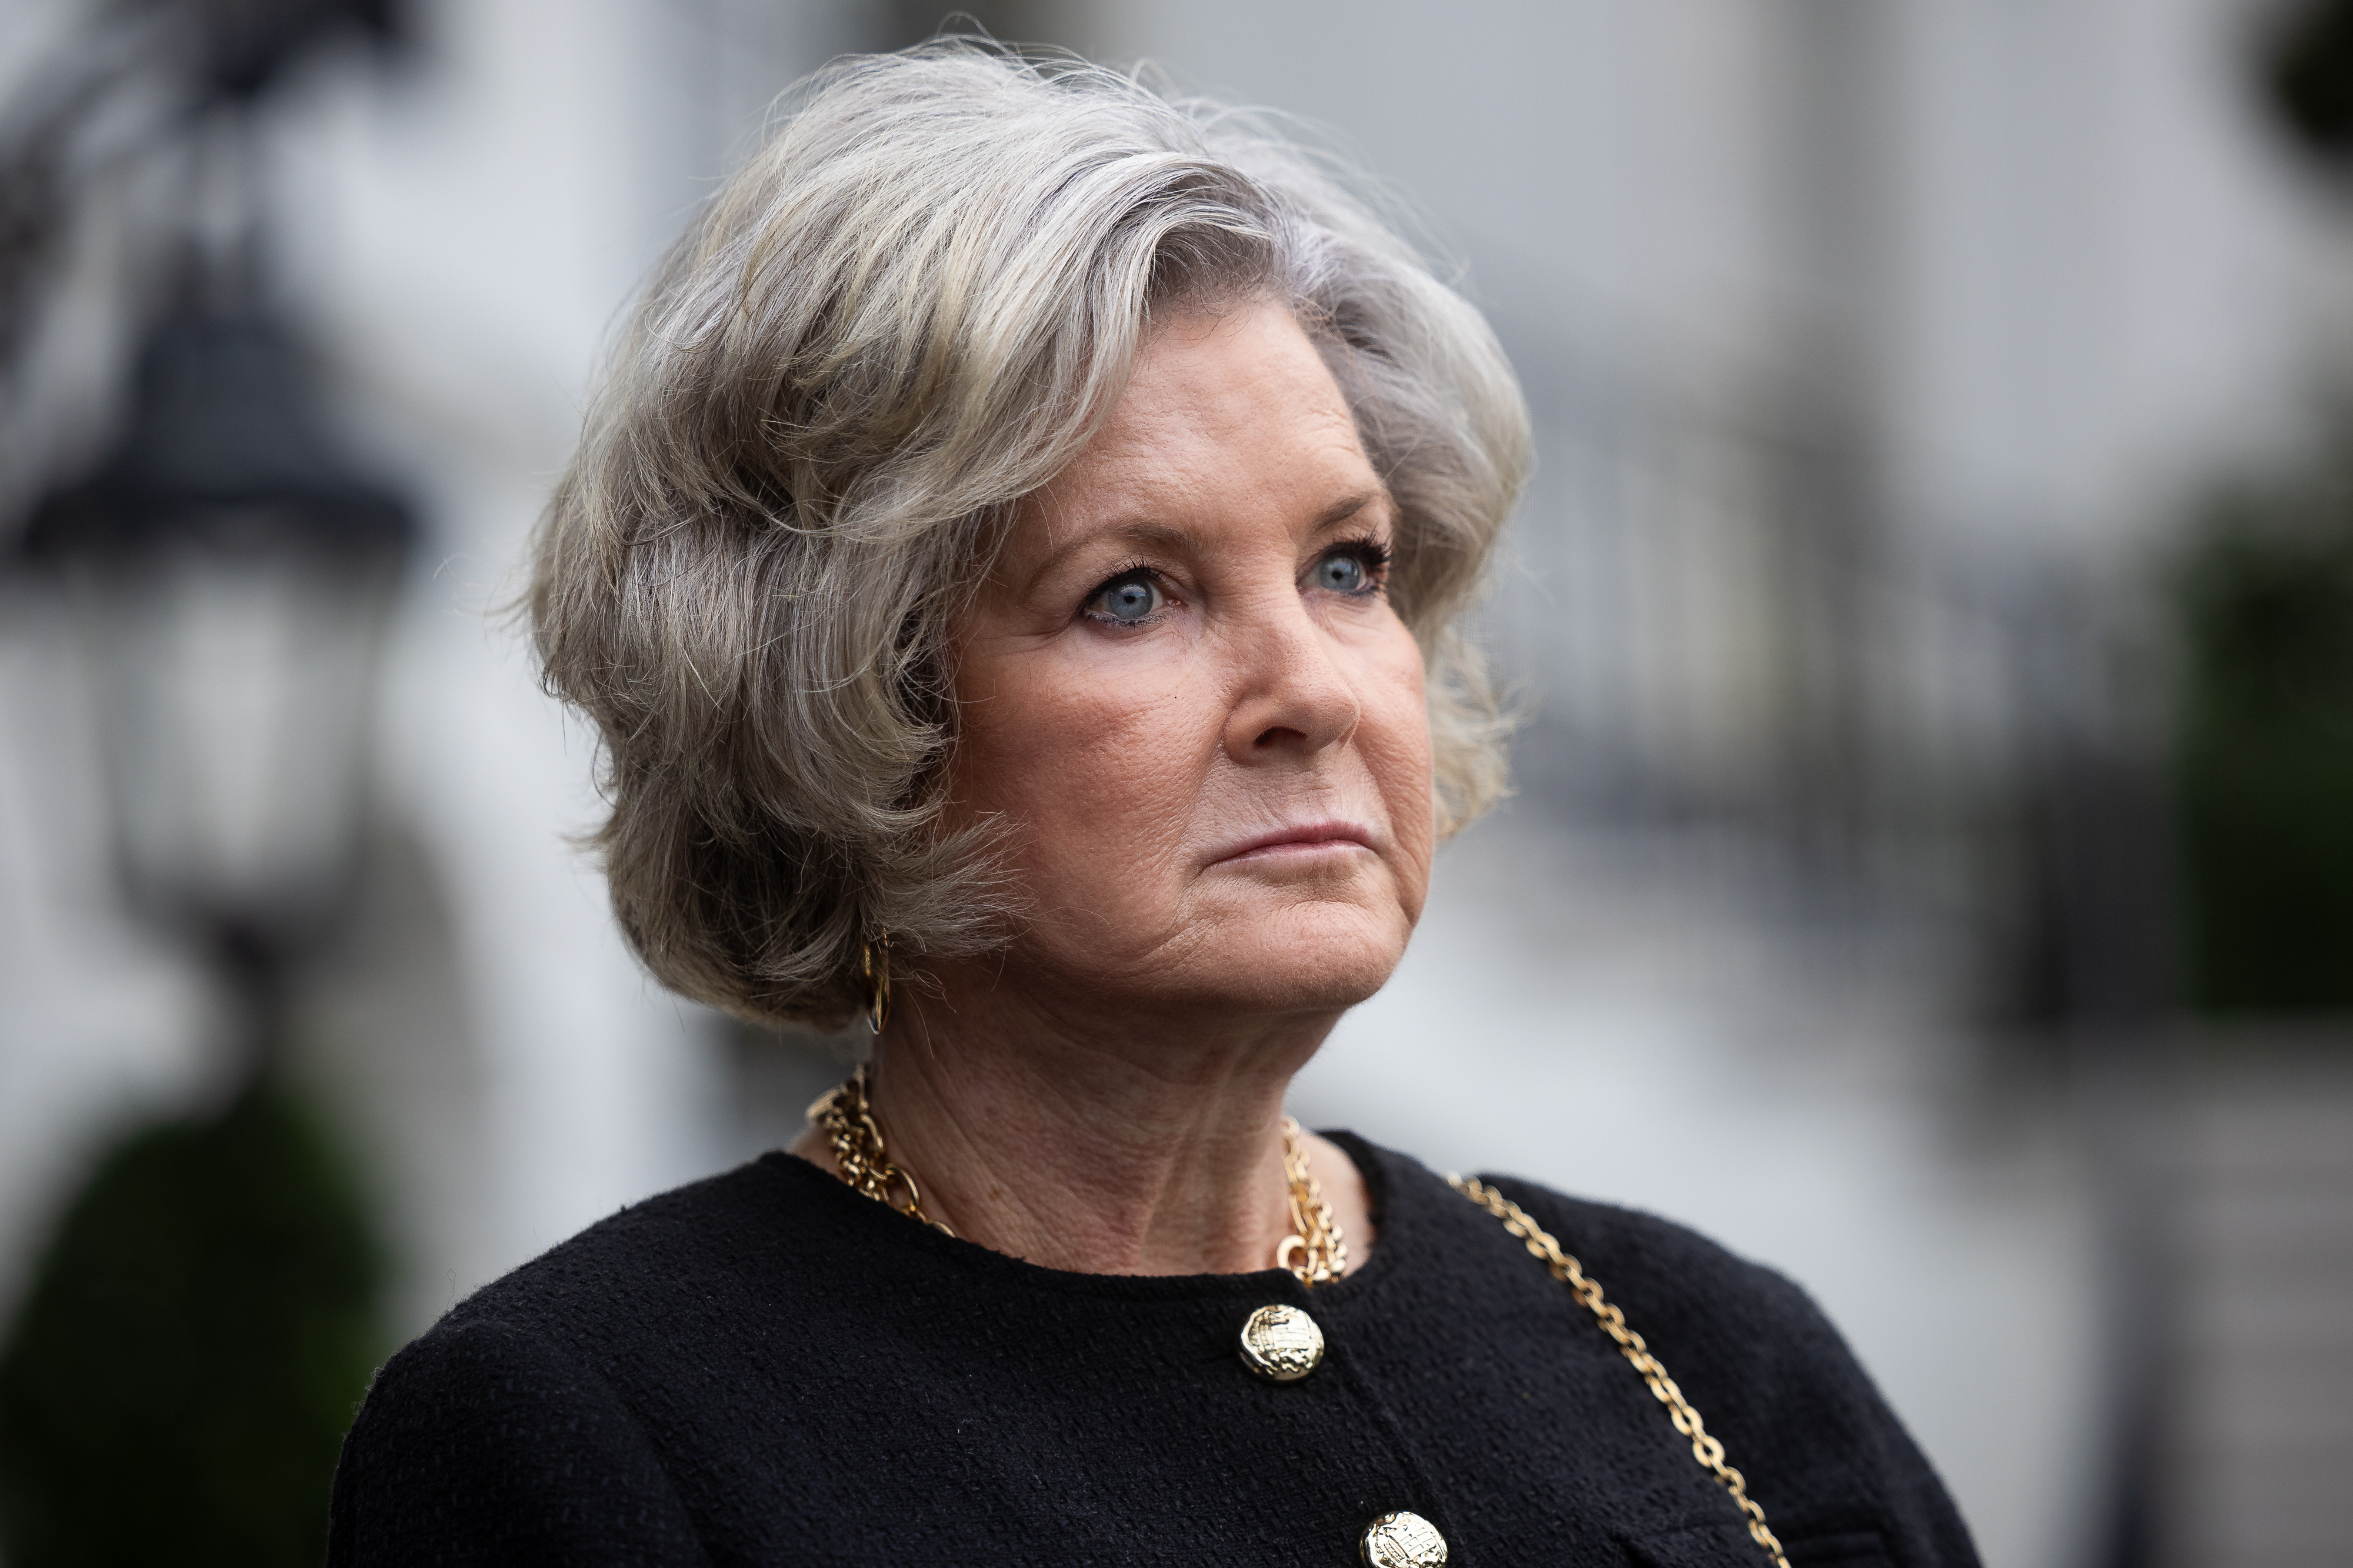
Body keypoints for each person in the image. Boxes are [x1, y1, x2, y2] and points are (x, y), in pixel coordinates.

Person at [328, 41, 1979, 1568]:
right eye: (1135, 593)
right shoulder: (586, 1437)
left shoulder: (1710, 1352)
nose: (1314, 688)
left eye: (1350, 567)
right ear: (861, 704)